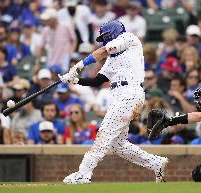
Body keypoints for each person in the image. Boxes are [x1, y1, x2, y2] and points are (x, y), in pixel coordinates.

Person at [59, 20, 169, 184]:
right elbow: (98, 80)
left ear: (113, 32)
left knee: (104, 134)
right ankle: (155, 162)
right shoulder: (112, 59)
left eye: (105, 36)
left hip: (129, 92)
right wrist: (75, 80)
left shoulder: (129, 38)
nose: (104, 40)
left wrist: (79, 65)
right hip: (122, 95)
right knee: (117, 144)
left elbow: (103, 50)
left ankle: (84, 173)